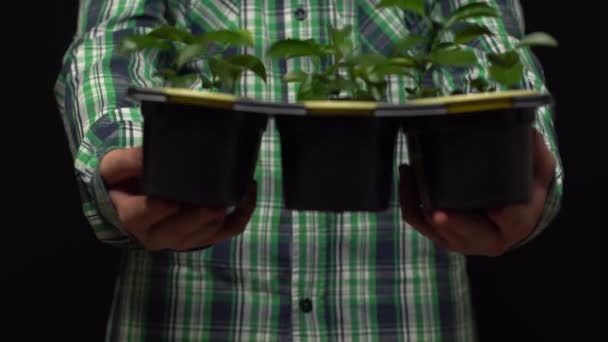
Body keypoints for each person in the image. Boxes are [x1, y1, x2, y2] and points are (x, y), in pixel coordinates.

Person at [54, 0, 563, 340]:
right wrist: (131, 158)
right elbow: (114, 38)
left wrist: (516, 155)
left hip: (401, 307)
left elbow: (483, 33)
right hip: (194, 310)